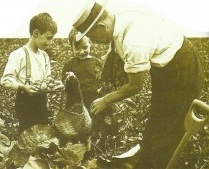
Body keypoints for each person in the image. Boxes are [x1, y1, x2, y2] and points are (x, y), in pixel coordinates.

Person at [71, 0, 204, 168]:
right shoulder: (119, 19)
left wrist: (106, 100)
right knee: (155, 121)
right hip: (165, 65)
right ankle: (145, 159)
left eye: (91, 37)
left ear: (102, 27)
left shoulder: (134, 41)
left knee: (169, 128)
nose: (94, 42)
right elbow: (116, 44)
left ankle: (159, 162)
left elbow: (136, 86)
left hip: (181, 69)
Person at [0, 13, 57, 132]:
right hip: (25, 102)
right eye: (48, 37)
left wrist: (51, 84)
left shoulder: (45, 56)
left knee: (43, 132)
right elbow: (5, 80)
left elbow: (47, 78)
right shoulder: (18, 55)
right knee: (27, 134)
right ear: (36, 33)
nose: (50, 43)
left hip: (41, 101)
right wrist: (23, 87)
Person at [61, 28, 103, 108]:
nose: (81, 52)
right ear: (72, 47)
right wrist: (69, 79)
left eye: (85, 47)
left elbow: (103, 81)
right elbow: (64, 84)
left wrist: (101, 90)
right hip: (75, 101)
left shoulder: (97, 63)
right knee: (76, 119)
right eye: (77, 48)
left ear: (90, 44)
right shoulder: (69, 64)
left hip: (93, 100)